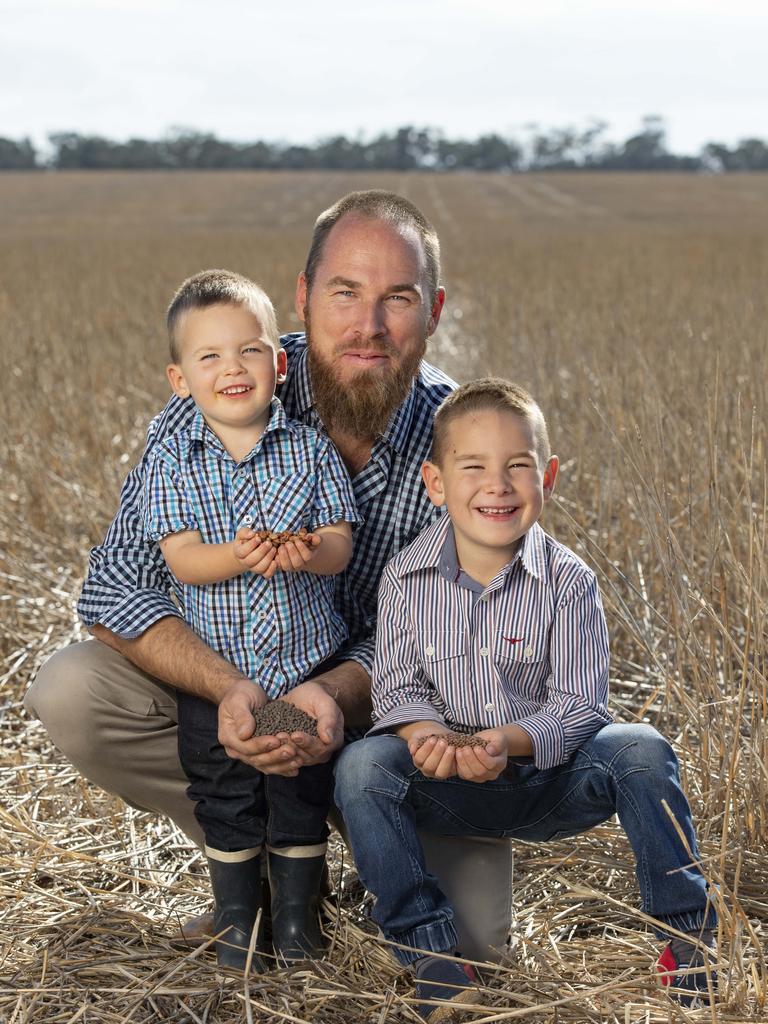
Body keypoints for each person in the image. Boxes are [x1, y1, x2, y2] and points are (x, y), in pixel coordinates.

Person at [26, 190, 514, 947]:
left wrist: (327, 693)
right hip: (239, 702)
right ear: (302, 296)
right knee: (71, 690)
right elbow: (113, 584)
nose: (368, 326)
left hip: (389, 725)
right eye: (344, 293)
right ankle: (260, 878)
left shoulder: (467, 441)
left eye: (399, 299)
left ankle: (357, 845)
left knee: (475, 943)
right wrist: (233, 692)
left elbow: (454, 640)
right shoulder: (226, 385)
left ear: (437, 309)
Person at [334, 378, 718, 1021]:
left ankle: (687, 947)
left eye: (519, 466)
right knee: (361, 767)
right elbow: (397, 689)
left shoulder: (568, 581)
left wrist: (506, 742)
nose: (498, 485)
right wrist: (427, 740)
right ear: (435, 482)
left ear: (550, 476)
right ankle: (430, 955)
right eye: (474, 467)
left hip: (547, 781)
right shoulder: (404, 578)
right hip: (447, 783)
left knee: (642, 749)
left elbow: (579, 704)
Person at [142, 269, 358, 967]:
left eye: (250, 352)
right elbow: (181, 562)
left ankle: (298, 925)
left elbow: (340, 546)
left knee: (297, 787)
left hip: (301, 668)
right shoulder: (174, 459)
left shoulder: (309, 449)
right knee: (225, 793)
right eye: (210, 357)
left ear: (280, 363)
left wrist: (306, 549)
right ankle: (240, 924)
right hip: (221, 675)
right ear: (181, 380)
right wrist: (237, 554)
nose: (232, 369)